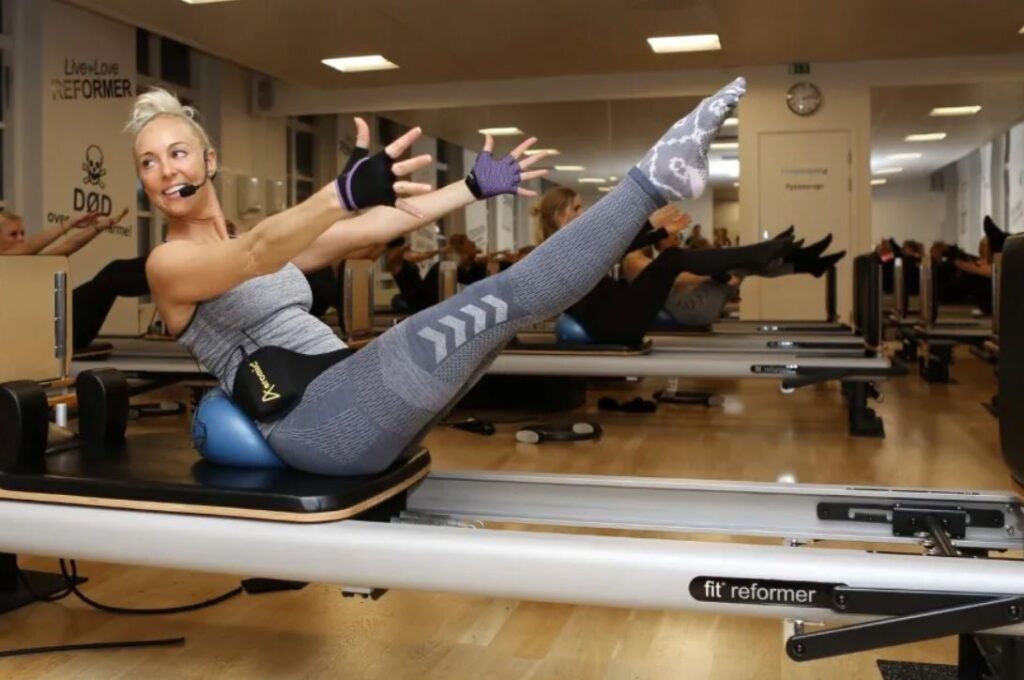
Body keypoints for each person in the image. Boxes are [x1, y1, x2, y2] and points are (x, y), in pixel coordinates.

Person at [136, 78, 749, 476]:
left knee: (500, 321)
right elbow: (255, 258)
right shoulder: (170, 265)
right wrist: (336, 194)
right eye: (149, 162)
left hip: (347, 391)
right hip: (316, 421)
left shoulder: (262, 241)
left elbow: (373, 228)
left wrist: (474, 186)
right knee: (499, 299)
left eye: (178, 152)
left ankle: (651, 183)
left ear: (208, 160)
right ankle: (653, 180)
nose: (166, 171)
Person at [0, 209, 142, 349]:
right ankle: (161, 278)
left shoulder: (23, 263)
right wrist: (69, 223)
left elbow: (70, 246)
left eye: (22, 233)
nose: (21, 238)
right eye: (13, 234)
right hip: (50, 338)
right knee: (108, 283)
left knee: (115, 268)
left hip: (54, 329)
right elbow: (29, 247)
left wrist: (99, 227)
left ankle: (160, 262)